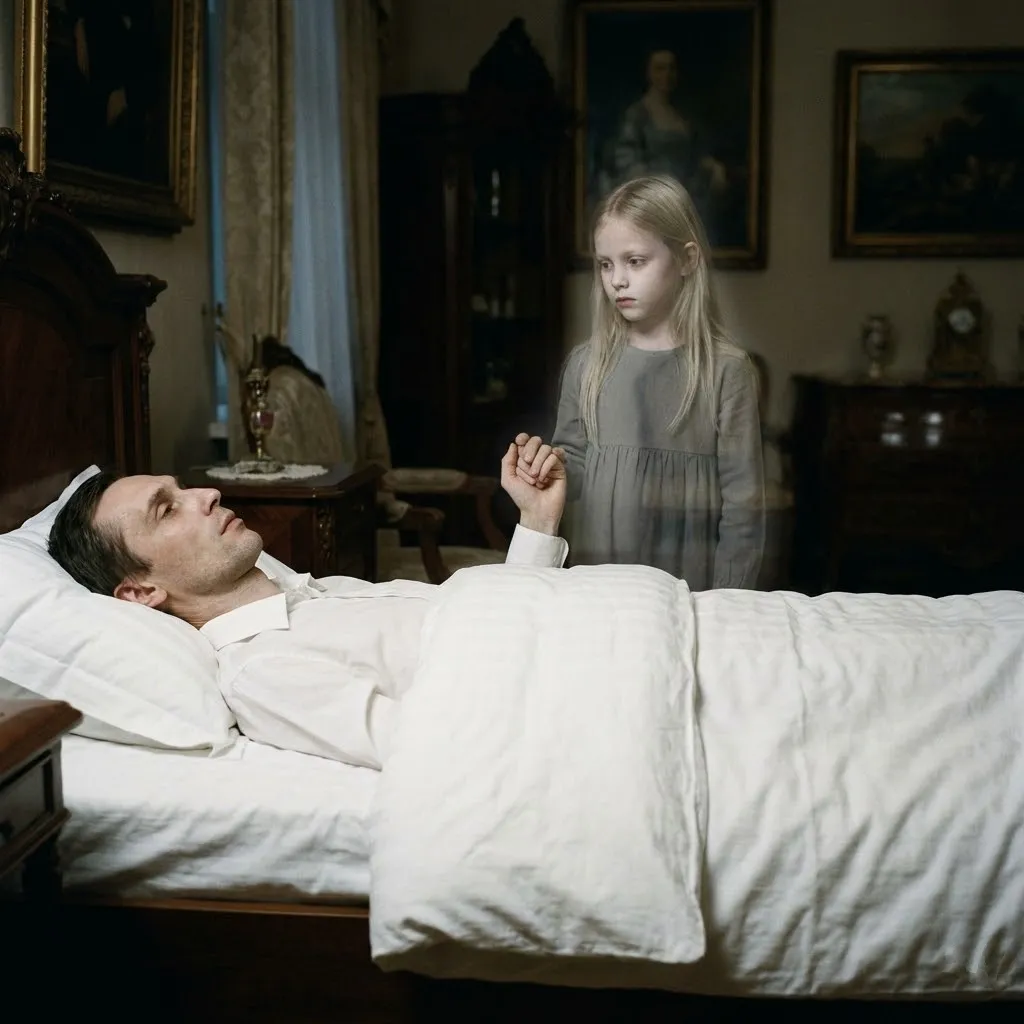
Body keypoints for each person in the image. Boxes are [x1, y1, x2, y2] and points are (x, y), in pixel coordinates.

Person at [47, 437, 567, 770]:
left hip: (566, 635)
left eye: (181, 489)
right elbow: (445, 746)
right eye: (167, 510)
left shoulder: (313, 596)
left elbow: (488, 636)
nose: (205, 494)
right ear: (141, 592)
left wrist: (537, 521)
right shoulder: (263, 669)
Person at [549, 173, 764, 589]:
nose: (617, 280)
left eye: (635, 261)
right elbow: (572, 465)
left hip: (692, 589)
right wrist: (543, 468)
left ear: (686, 259)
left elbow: (744, 506)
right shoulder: (585, 364)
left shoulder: (726, 370)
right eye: (606, 264)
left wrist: (730, 602)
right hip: (601, 586)